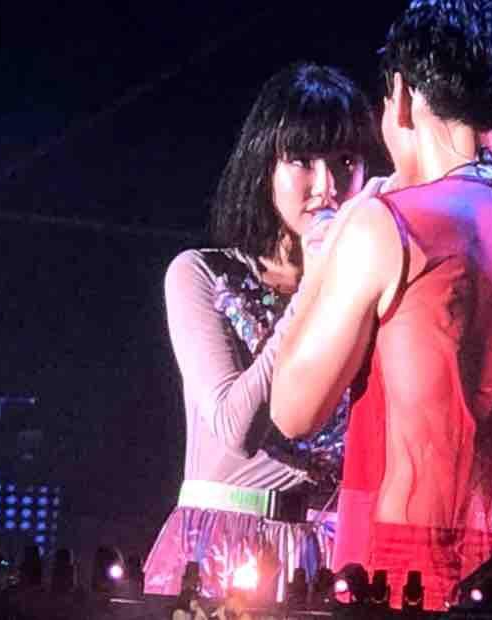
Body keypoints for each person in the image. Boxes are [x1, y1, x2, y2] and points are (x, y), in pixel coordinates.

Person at [271, 1, 492, 610]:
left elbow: (293, 411)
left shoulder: (390, 224)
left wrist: (324, 261)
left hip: (411, 572)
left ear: (401, 98)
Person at [143, 62, 380, 601]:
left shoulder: (367, 292)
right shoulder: (201, 274)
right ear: (264, 165)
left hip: (333, 555)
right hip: (222, 549)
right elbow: (237, 427)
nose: (327, 186)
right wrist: (313, 288)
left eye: (345, 162)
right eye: (303, 160)